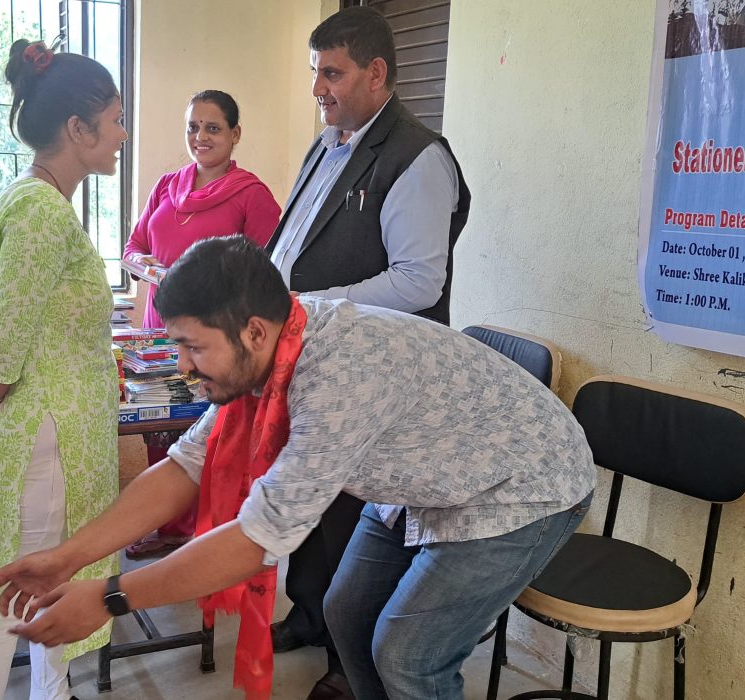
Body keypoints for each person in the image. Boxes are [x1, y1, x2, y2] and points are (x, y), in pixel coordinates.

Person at [0, 236, 595, 700]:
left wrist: (111, 596)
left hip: (522, 485)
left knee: (408, 657)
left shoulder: (337, 376)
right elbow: (186, 467)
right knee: (345, 614)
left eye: (193, 347)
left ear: (252, 331)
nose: (183, 365)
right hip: (428, 474)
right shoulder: (277, 345)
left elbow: (257, 540)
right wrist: (67, 558)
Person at [263, 8, 473, 696]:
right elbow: (295, 241)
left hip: (372, 369)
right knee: (314, 493)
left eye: (332, 73)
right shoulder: (328, 144)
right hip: (313, 353)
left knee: (352, 511)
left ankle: (345, 659)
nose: (317, 89)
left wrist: (313, 307)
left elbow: (418, 282)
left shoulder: (418, 156)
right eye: (314, 72)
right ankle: (309, 612)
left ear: (376, 72)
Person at [0, 39, 125, 700]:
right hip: (50, 435)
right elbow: (5, 330)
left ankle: (55, 691)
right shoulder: (42, 211)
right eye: (114, 121)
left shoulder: (40, 201)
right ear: (78, 129)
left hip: (59, 429)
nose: (121, 134)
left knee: (50, 583)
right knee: (15, 585)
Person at [121, 89, 281, 560]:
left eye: (213, 128)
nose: (200, 137)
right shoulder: (167, 186)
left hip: (216, 338)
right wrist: (147, 267)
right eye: (193, 127)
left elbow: (268, 270)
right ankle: (168, 524)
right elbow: (133, 247)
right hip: (160, 329)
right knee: (159, 425)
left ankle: (205, 530)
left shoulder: (251, 195)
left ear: (235, 134)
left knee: (207, 429)